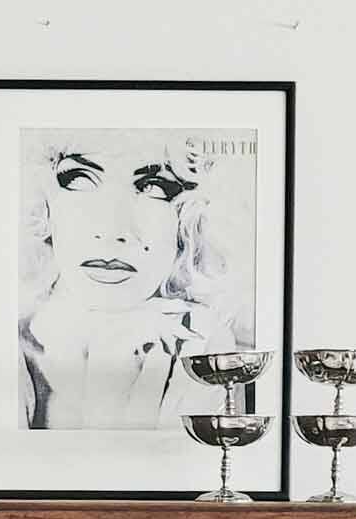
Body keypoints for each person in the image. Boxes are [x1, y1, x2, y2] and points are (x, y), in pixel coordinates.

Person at [20, 135, 241, 430]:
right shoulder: (5, 345)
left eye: (155, 187)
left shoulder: (206, 348)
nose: (112, 230)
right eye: (79, 179)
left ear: (191, 217)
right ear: (42, 202)